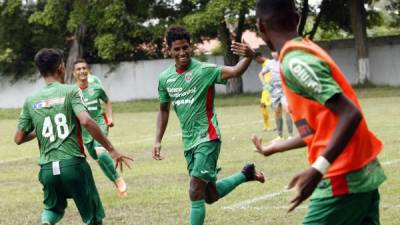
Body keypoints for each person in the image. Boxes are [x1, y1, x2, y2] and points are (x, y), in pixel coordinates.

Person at [252, 0, 386, 224]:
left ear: (260, 26)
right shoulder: (306, 50)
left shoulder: (295, 62)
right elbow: (323, 127)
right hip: (361, 173)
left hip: (342, 177)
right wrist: (276, 147)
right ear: (296, 19)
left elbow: (350, 114)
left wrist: (317, 169)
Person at [153, 26, 265, 225]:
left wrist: (249, 56)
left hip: (208, 137)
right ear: (169, 50)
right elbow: (163, 110)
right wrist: (157, 140)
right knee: (209, 196)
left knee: (195, 191)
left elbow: (235, 71)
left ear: (191, 47)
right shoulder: (165, 79)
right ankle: (246, 174)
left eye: (185, 47)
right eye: (177, 49)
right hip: (189, 143)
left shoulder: (205, 70)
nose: (182, 53)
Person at [14, 48, 133, 225]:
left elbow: (18, 138)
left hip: (47, 169)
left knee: (53, 210)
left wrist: (38, 131)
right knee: (93, 217)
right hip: (73, 165)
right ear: (61, 67)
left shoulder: (31, 100)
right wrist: (111, 149)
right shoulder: (71, 91)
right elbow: (85, 120)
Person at [73, 58, 127, 197]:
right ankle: (117, 184)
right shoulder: (72, 92)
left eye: (84, 68)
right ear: (74, 73)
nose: (82, 71)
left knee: (101, 152)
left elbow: (107, 101)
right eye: (78, 69)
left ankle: (119, 180)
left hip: (99, 125)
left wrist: (110, 118)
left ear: (88, 70)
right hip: (84, 132)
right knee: (99, 161)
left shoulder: (96, 87)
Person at [262, 51, 293, 140]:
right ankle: (280, 135)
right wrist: (265, 84)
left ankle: (290, 135)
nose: (273, 54)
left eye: (275, 52)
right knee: (277, 112)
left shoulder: (284, 61)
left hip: (284, 90)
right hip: (274, 91)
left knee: (287, 110)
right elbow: (261, 74)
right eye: (272, 52)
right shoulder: (269, 63)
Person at [255, 52, 272, 130]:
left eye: (256, 60)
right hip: (266, 88)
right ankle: (267, 126)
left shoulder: (268, 63)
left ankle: (270, 126)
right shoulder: (264, 63)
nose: (256, 62)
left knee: (273, 106)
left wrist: (266, 84)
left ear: (259, 57)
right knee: (263, 105)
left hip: (269, 88)